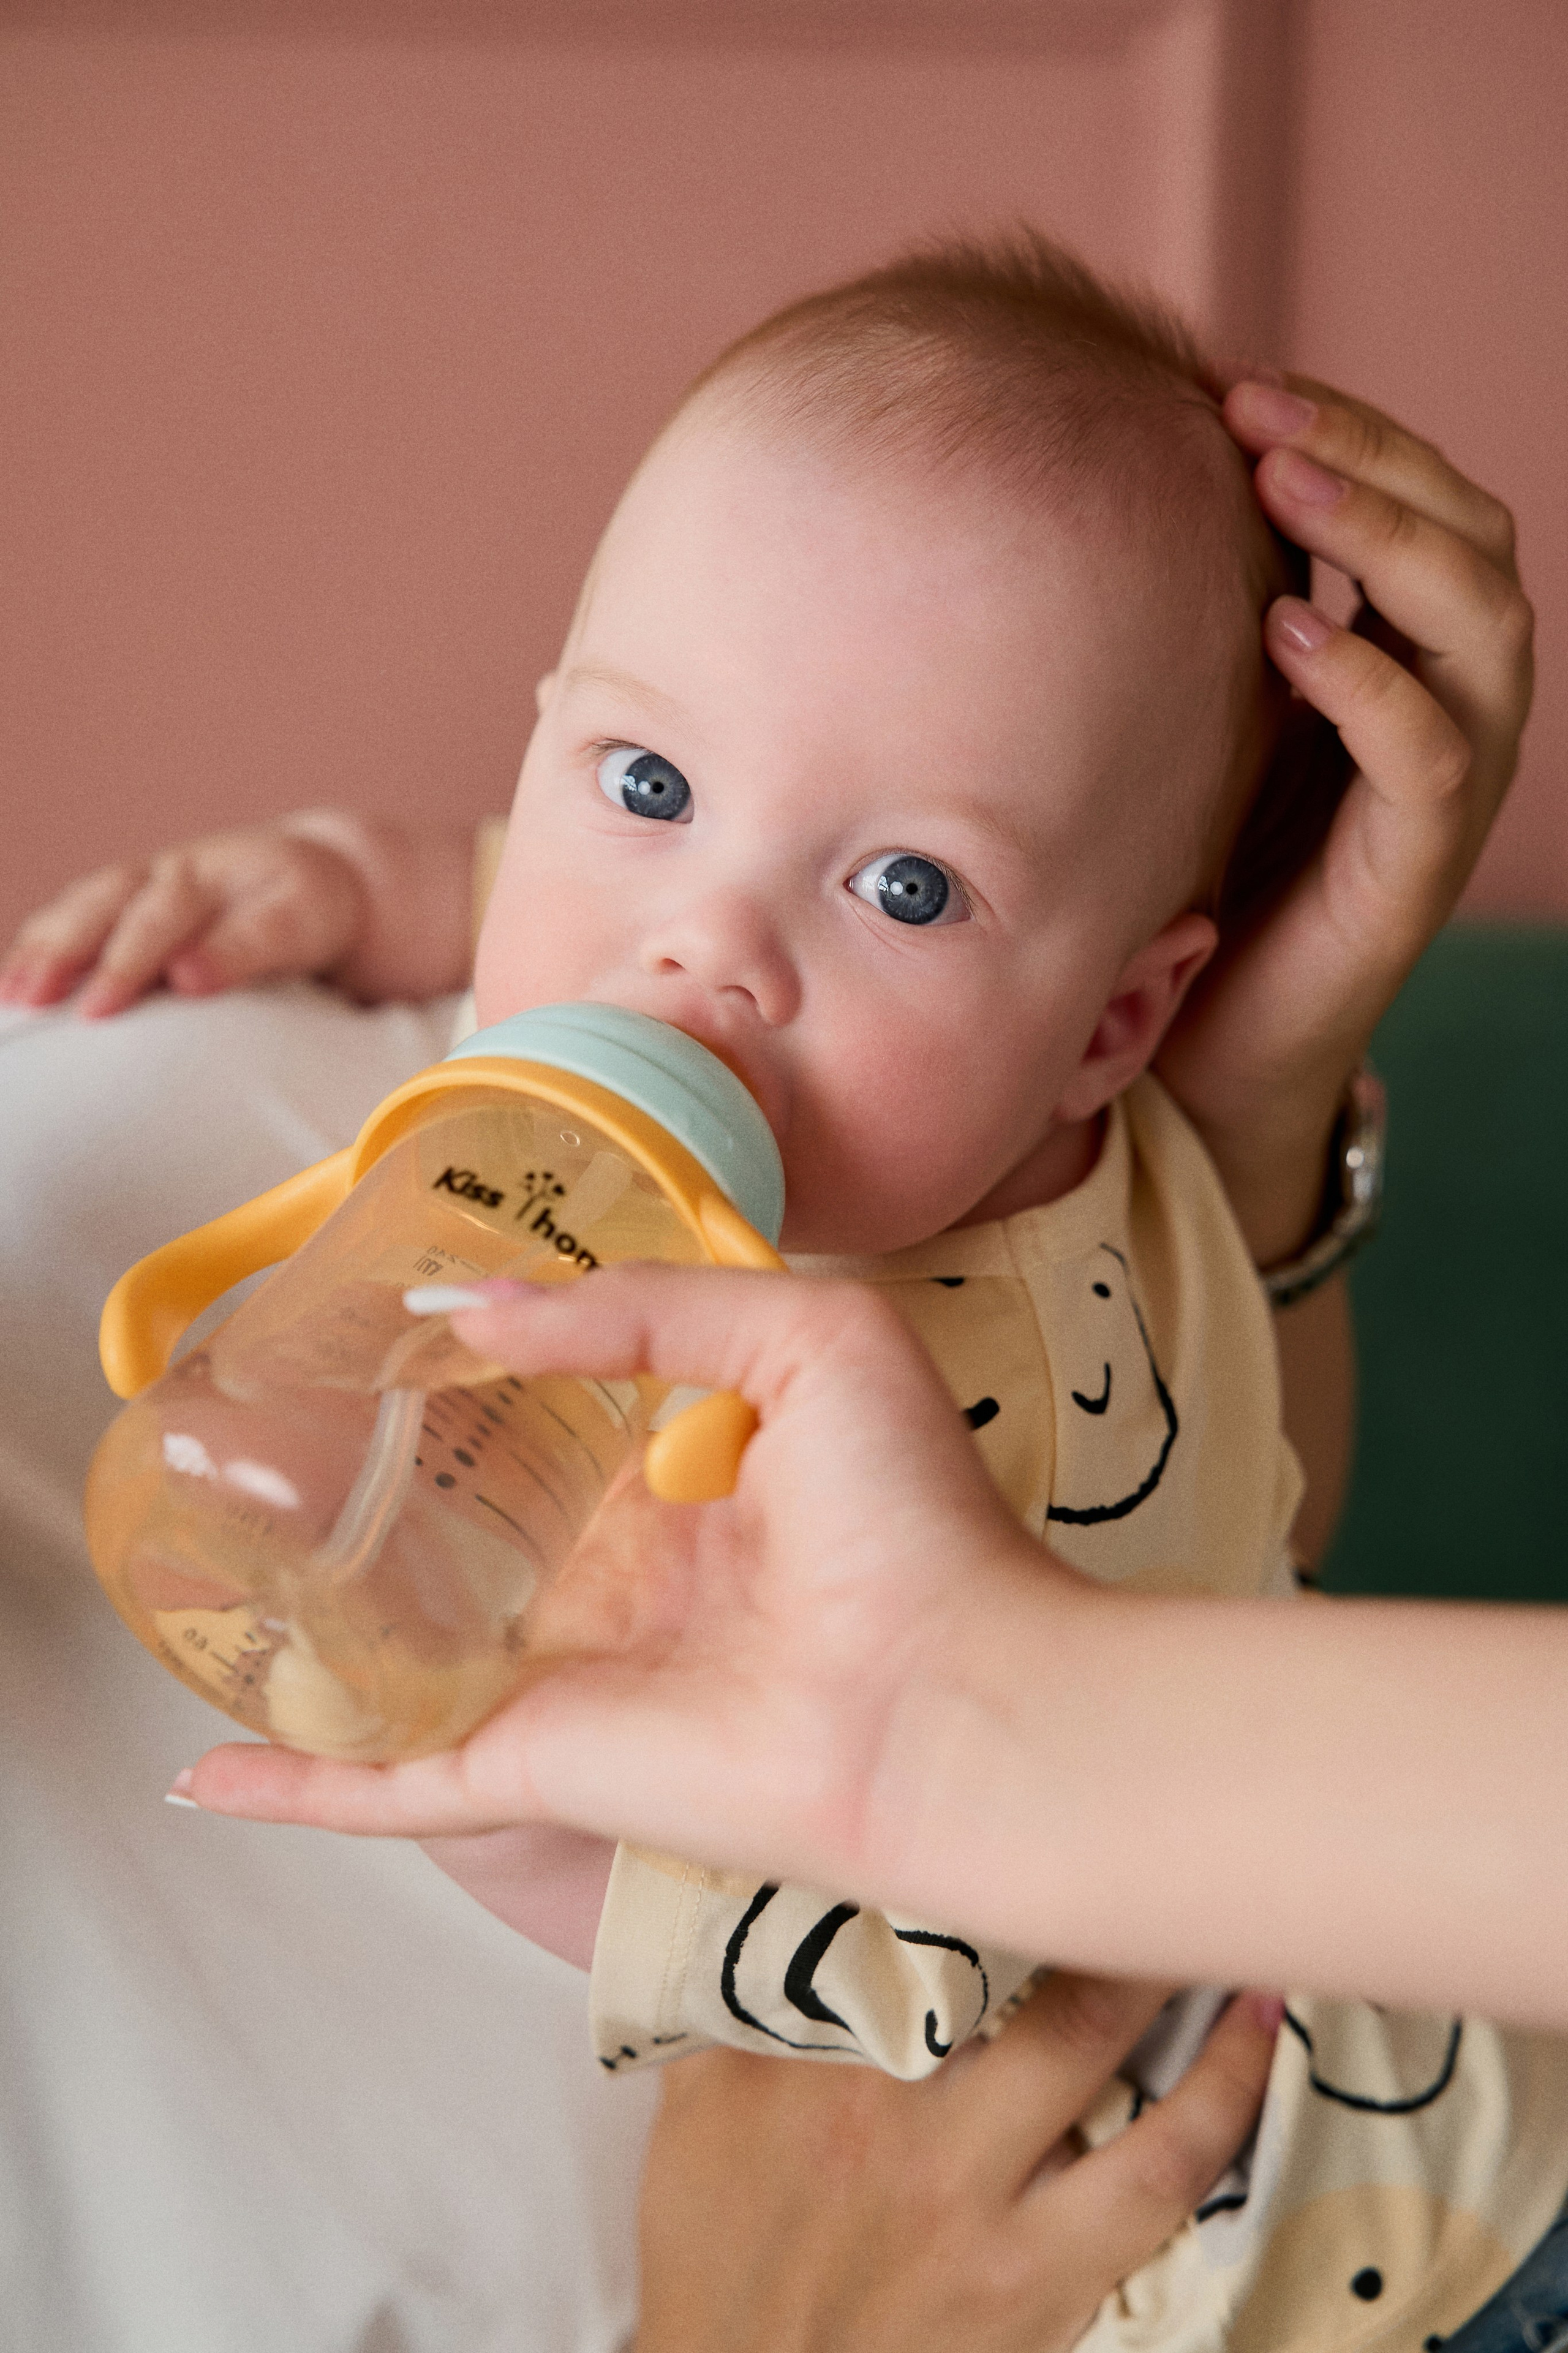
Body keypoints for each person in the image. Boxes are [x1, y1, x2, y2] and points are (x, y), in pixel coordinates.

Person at [3, 236, 1550, 2346]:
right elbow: (627, 893)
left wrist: (471, 1739)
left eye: (906, 885)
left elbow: (794, 1934)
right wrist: (361, 877)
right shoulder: (1064, 1137)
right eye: (643, 785)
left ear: (1120, 1017)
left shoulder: (793, 1388)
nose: (699, 951)